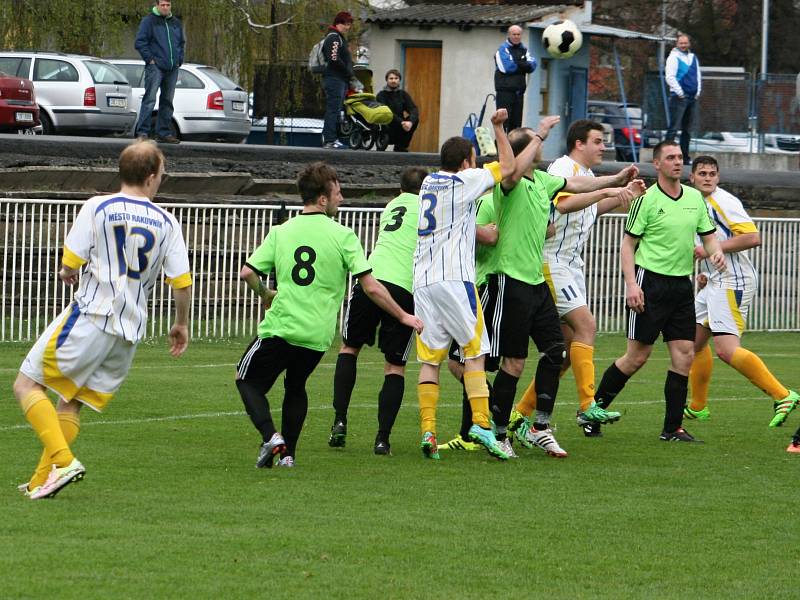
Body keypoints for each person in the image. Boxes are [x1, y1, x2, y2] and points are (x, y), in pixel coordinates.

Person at [13, 140, 192, 500]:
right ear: (151, 176)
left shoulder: (98, 206)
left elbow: (71, 261)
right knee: (72, 401)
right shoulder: (168, 222)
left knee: (26, 385)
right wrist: (180, 323)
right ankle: (40, 480)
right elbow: (182, 281)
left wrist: (68, 272)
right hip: (129, 329)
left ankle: (63, 462)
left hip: (93, 314)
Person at [236, 162, 423, 468]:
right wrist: (403, 315)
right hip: (317, 335)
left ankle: (272, 437)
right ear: (322, 198)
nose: (342, 198)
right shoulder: (344, 235)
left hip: (283, 326)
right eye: (338, 193)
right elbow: (372, 287)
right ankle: (287, 457)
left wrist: (265, 293)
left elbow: (247, 273)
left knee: (245, 380)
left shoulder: (281, 231)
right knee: (295, 386)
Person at [487, 120, 641, 458]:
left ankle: (533, 422)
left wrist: (617, 186)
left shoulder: (544, 179)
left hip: (544, 276)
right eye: (597, 141)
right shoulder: (511, 181)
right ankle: (504, 429)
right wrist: (535, 132)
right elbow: (565, 199)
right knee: (516, 360)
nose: (603, 147)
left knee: (560, 350)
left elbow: (578, 193)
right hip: (521, 275)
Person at [592, 141, 724, 443]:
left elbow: (709, 237)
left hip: (680, 286)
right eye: (671, 158)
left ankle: (672, 428)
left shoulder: (694, 198)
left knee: (685, 355)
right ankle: (592, 413)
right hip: (649, 283)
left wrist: (715, 253)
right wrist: (631, 285)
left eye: (680, 157)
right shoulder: (647, 199)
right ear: (658, 164)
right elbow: (628, 244)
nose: (678, 162)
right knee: (636, 357)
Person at [413, 109, 515, 461]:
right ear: (467, 161)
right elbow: (509, 168)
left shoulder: (428, 182)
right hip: (455, 279)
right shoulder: (464, 181)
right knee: (476, 352)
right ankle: (482, 424)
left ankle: (428, 430)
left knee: (430, 360)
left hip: (423, 281)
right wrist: (498, 129)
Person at [683, 156, 798, 426]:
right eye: (702, 173)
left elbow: (752, 237)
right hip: (713, 281)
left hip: (733, 281)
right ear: (693, 178)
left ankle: (783, 395)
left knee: (725, 349)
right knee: (691, 342)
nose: (708, 178)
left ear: (719, 177)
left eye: (712, 173)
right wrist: (705, 272)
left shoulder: (724, 202)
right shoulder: (695, 201)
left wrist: (713, 250)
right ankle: (698, 406)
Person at [328, 166, 428, 455]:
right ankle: (382, 438)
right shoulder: (427, 207)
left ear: (400, 189)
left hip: (372, 278)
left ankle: (340, 420)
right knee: (395, 365)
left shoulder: (391, 206)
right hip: (404, 287)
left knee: (349, 348)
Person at [134, 0, 186, 143]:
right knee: (150, 100)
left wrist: (179, 60)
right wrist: (150, 59)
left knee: (167, 101)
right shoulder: (149, 21)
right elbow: (140, 42)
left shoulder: (175, 22)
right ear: (157, 5)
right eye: (162, 5)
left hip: (172, 68)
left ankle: (163, 133)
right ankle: (143, 133)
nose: (165, 7)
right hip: (155, 67)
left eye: (168, 5)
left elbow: (181, 43)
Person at [664, 33, 701, 165]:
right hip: (678, 97)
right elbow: (670, 77)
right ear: (677, 44)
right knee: (673, 128)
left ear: (689, 43)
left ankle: (685, 157)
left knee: (687, 130)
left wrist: (698, 92)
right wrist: (680, 92)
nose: (684, 45)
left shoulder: (693, 58)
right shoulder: (673, 58)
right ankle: (666, 156)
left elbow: (698, 76)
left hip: (692, 97)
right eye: (681, 43)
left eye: (685, 43)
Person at [321, 11, 355, 149]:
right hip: (334, 79)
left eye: (349, 25)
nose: (347, 27)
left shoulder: (338, 37)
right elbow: (333, 58)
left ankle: (331, 139)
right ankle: (329, 140)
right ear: (337, 23)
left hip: (338, 79)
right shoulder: (334, 37)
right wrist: (347, 71)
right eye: (345, 24)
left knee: (335, 110)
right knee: (333, 110)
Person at [494, 25, 536, 132]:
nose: (516, 37)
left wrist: (520, 64)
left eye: (518, 34)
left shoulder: (524, 50)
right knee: (503, 126)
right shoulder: (502, 49)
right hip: (505, 93)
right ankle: (500, 148)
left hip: (519, 93)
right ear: (509, 35)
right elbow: (507, 67)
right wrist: (523, 65)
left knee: (516, 128)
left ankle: (514, 148)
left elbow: (533, 65)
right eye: (514, 34)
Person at [376, 69, 419, 152]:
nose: (393, 81)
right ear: (387, 80)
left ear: (399, 80)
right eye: (391, 78)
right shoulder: (381, 95)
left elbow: (413, 109)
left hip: (400, 127)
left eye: (396, 78)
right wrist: (401, 122)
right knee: (387, 115)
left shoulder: (403, 94)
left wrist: (410, 122)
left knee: (415, 120)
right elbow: (386, 112)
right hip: (386, 126)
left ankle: (401, 146)